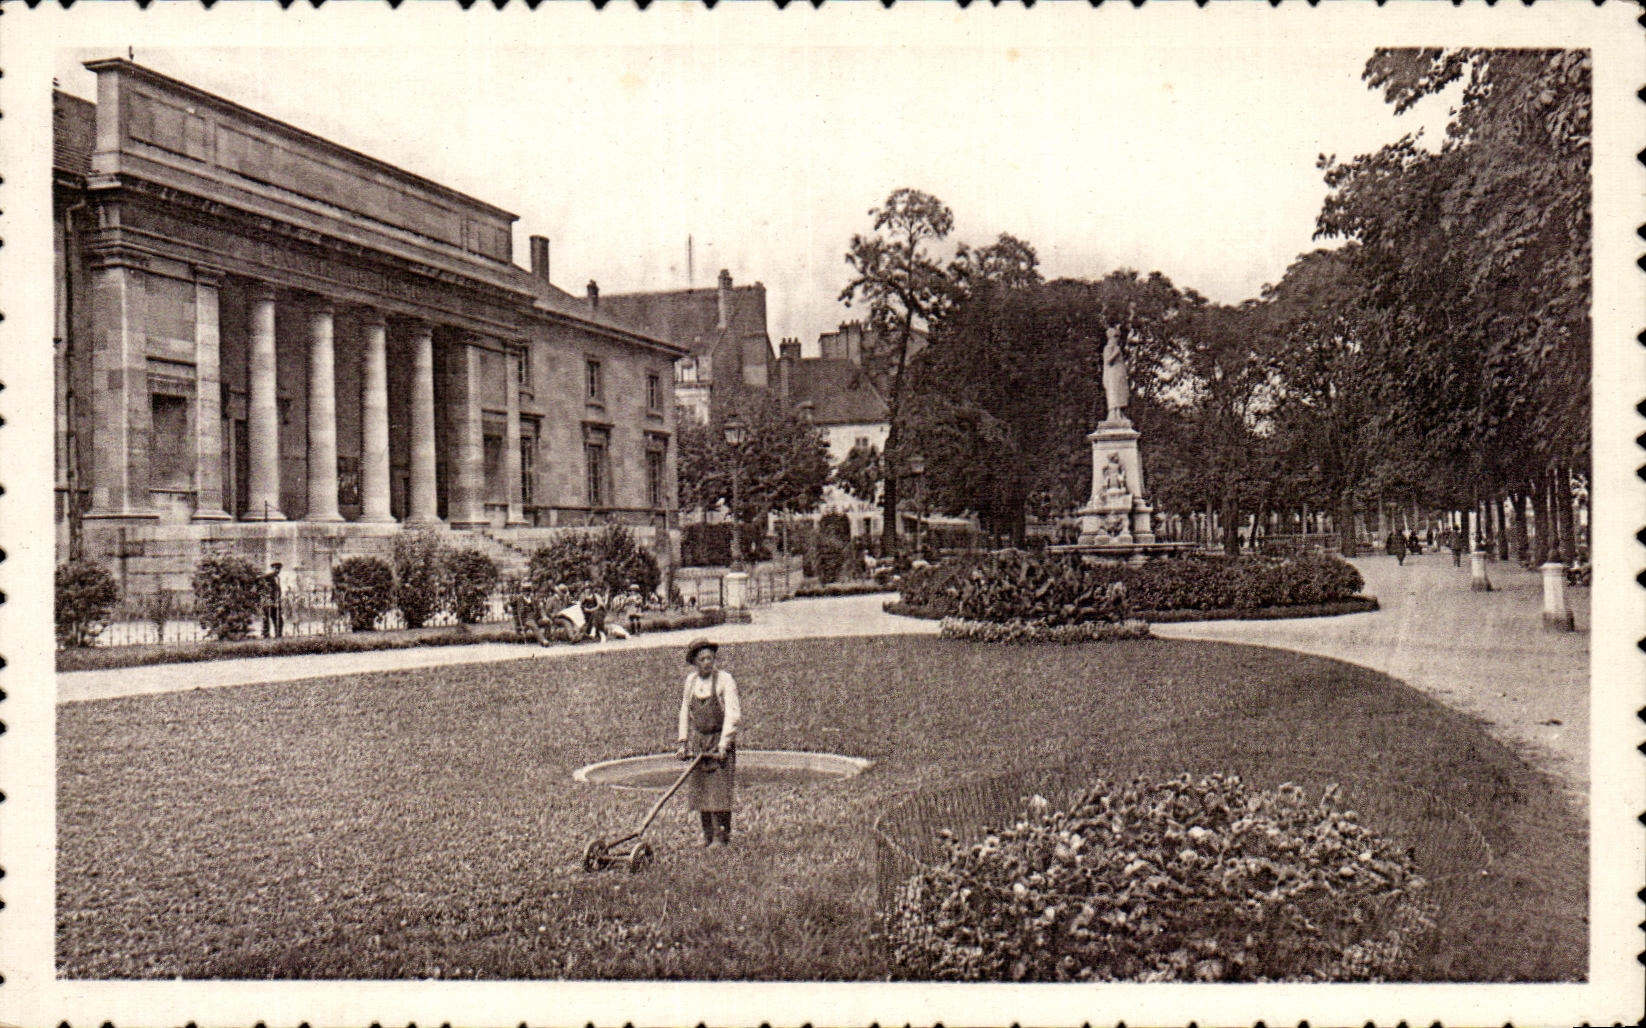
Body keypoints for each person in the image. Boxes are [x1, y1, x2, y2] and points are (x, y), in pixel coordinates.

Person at [676, 638, 741, 848]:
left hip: (719, 739)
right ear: (694, 662)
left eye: (710, 658)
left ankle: (721, 836)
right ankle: (706, 835)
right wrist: (683, 742)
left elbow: (733, 715)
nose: (707, 662)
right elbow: (685, 710)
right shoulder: (691, 681)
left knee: (719, 790)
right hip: (699, 741)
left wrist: (724, 745)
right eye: (702, 659)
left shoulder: (724, 680)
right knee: (701, 788)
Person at [260, 562, 284, 638]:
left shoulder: (277, 578)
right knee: (266, 619)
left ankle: (278, 635)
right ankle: (266, 635)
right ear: (272, 568)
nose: (277, 570)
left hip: (276, 602)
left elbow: (278, 590)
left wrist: (278, 600)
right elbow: (263, 587)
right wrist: (267, 598)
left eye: (279, 568)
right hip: (268, 602)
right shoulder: (268, 577)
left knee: (279, 620)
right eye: (276, 568)